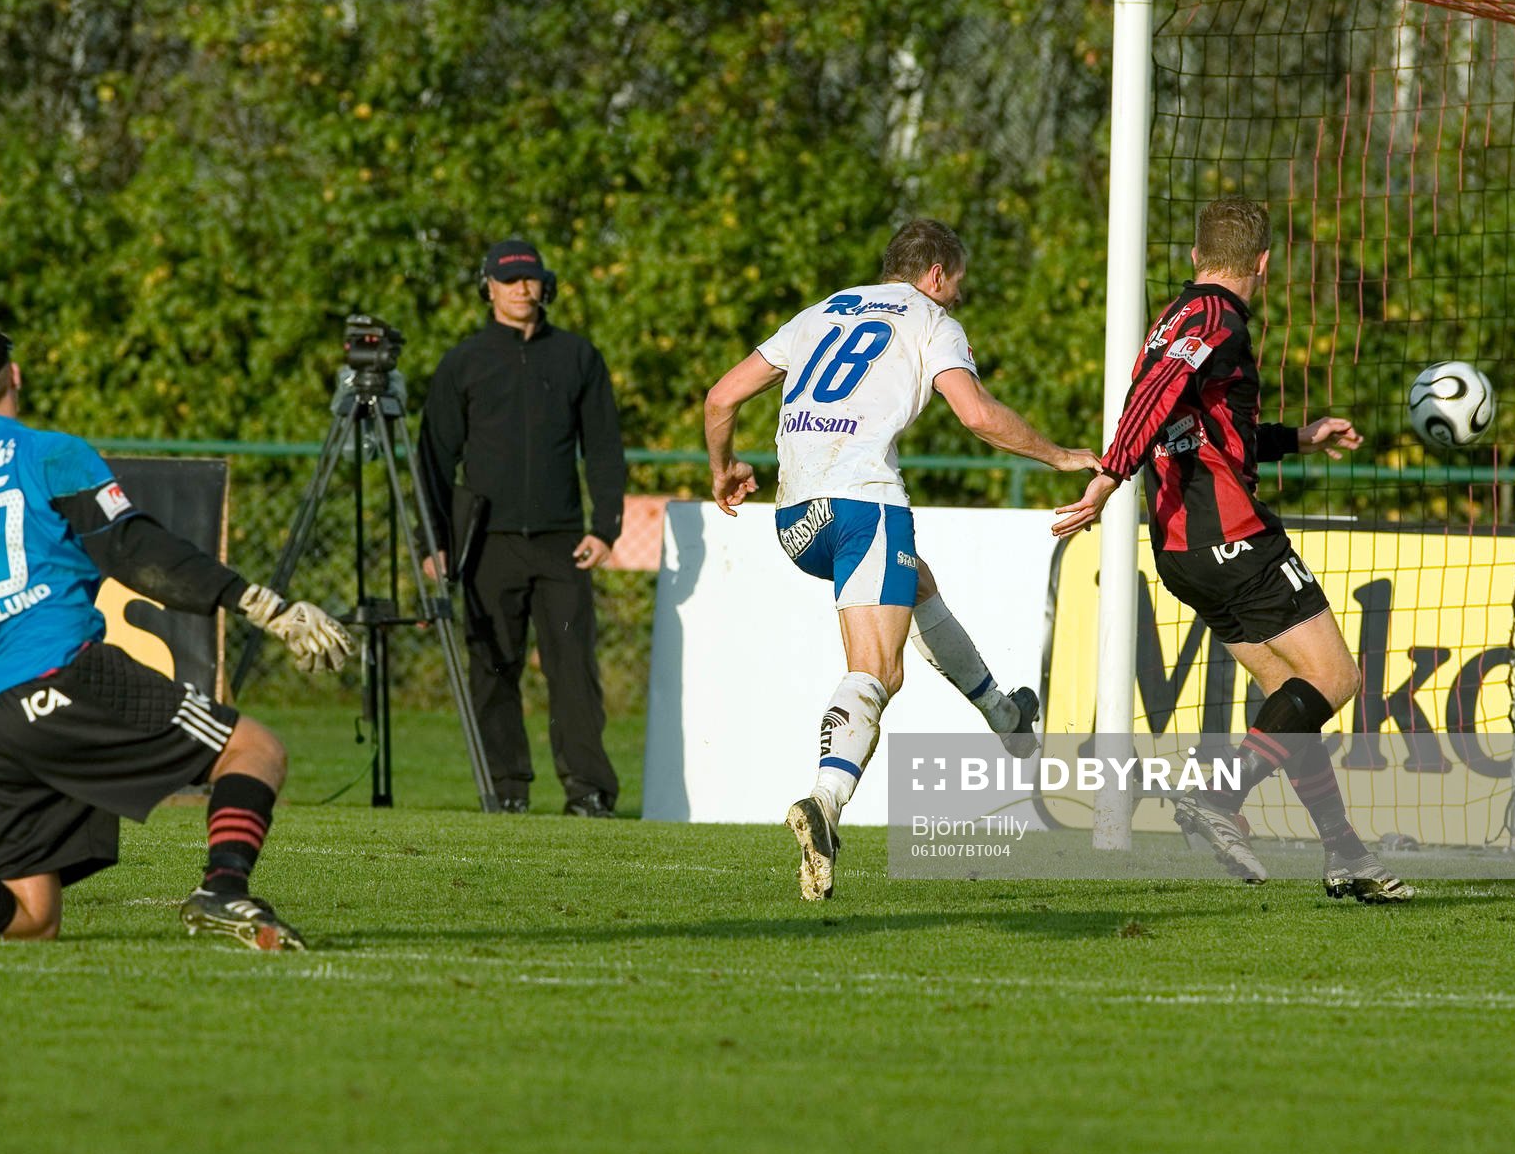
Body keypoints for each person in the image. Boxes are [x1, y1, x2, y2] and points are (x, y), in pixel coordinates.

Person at [0, 316, 352, 950]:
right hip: (64, 675)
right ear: (14, 375)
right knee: (254, 751)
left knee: (32, 916)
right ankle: (223, 889)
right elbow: (133, 549)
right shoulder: (49, 454)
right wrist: (260, 603)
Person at [705, 219, 1100, 901]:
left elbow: (720, 397)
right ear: (937, 275)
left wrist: (722, 469)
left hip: (797, 519)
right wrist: (1060, 455)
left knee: (915, 580)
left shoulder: (821, 310)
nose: (955, 299)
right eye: (957, 286)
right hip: (864, 506)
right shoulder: (929, 319)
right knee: (877, 670)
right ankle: (823, 802)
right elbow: (975, 415)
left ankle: (1006, 719)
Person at [1053, 196, 1411, 902]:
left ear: (1194, 257)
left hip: (1182, 550)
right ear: (1265, 263)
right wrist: (1105, 480)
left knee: (1289, 697)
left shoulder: (1174, 317)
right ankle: (1215, 797)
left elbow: (1208, 427)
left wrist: (1296, 438)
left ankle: (1344, 854)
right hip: (1232, 538)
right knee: (1335, 682)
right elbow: (1156, 394)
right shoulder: (1216, 320)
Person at [418, 238, 626, 817]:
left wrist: (605, 526)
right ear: (488, 287)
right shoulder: (463, 362)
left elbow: (604, 448)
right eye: (508, 281)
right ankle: (507, 789)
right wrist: (434, 542)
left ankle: (588, 791)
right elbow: (433, 460)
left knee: (574, 673)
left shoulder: (578, 357)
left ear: (544, 283)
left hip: (564, 543)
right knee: (492, 668)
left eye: (530, 279)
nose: (521, 289)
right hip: (485, 544)